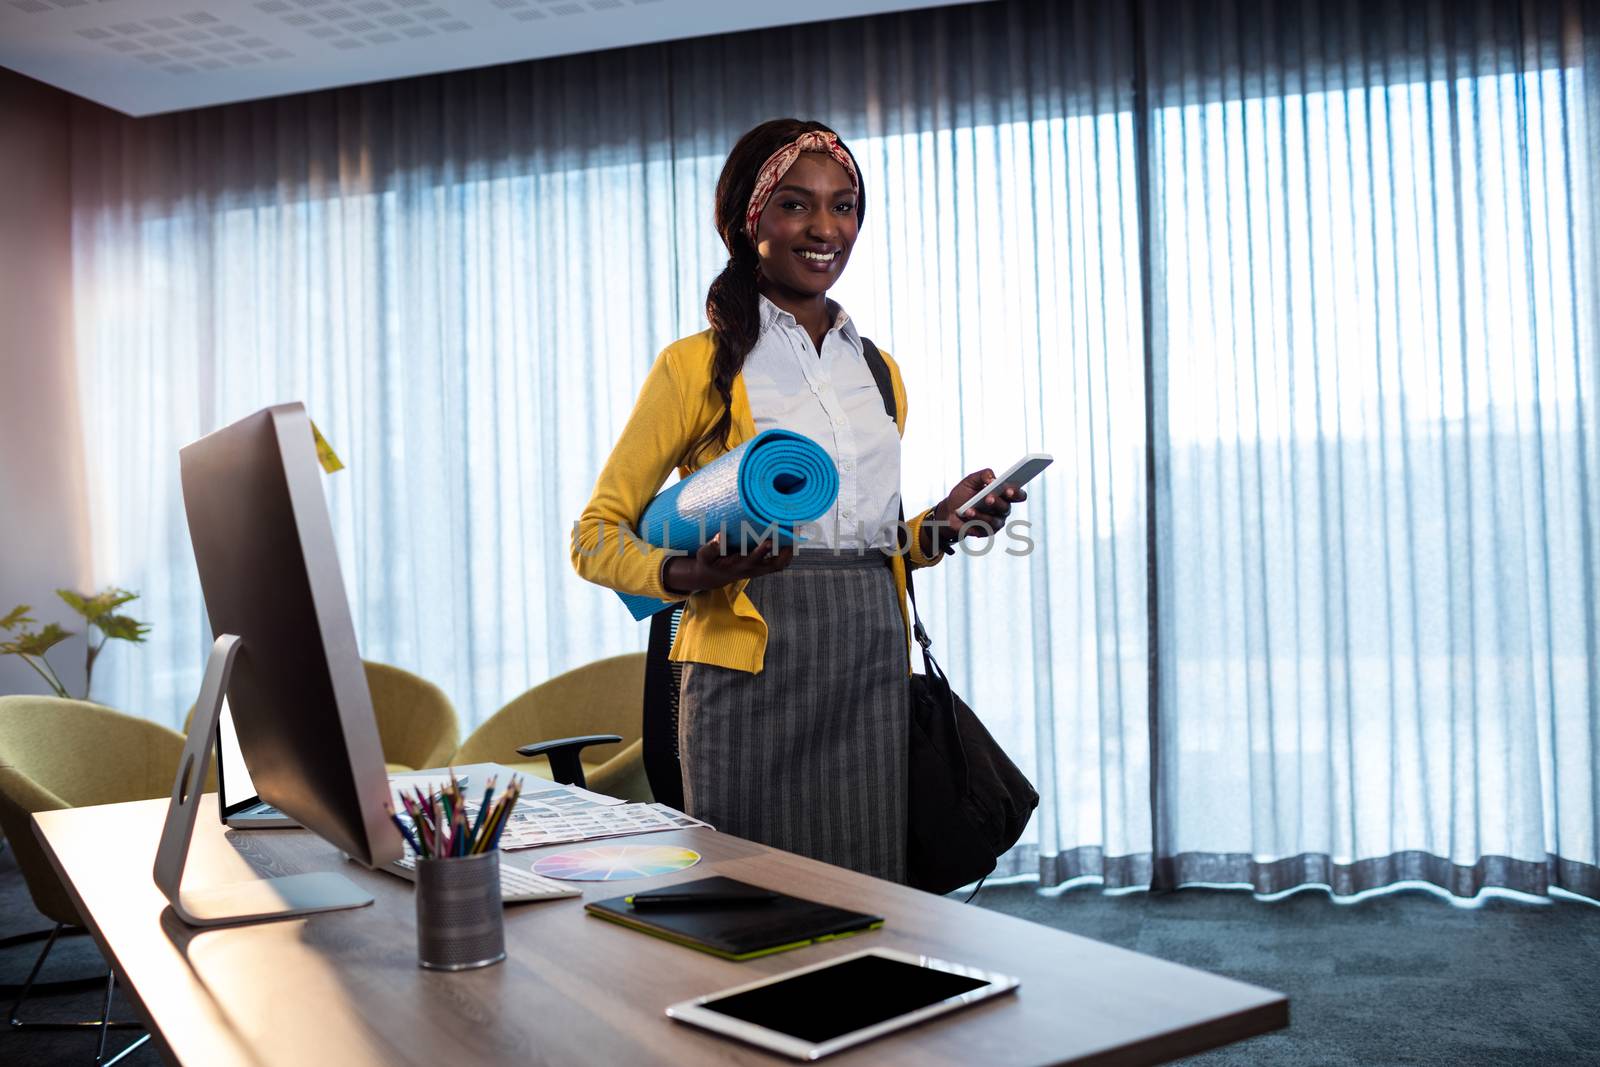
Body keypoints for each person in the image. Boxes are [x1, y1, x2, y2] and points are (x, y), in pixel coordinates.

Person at [572, 118, 1021, 883]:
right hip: (750, 671)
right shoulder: (698, 367)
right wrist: (691, 575)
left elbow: (875, 543)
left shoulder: (878, 370)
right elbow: (595, 537)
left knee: (866, 898)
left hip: (870, 664)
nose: (825, 228)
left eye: (843, 206)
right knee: (751, 903)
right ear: (752, 221)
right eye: (795, 204)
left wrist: (941, 526)